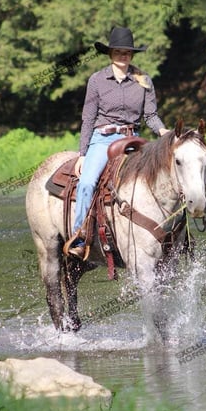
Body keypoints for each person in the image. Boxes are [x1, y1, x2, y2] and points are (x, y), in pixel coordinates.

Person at [64, 26, 169, 259]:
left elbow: (150, 115)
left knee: (157, 177)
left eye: (128, 53)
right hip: (103, 138)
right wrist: (83, 153)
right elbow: (88, 118)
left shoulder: (143, 80)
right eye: (119, 52)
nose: (124, 57)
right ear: (110, 54)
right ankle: (79, 236)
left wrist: (163, 130)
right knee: (87, 183)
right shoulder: (97, 80)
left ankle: (171, 233)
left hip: (133, 139)